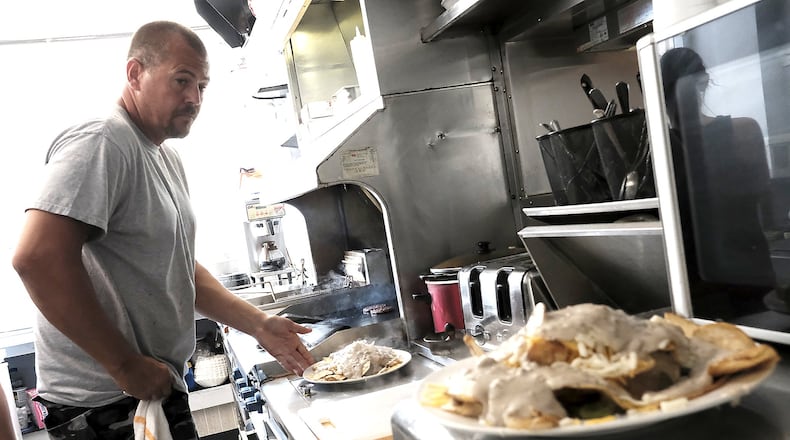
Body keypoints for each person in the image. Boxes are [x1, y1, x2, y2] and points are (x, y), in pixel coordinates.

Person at [11, 21, 314, 439]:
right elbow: (37, 259)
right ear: (135, 74)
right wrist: (124, 365)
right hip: (107, 404)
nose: (194, 98)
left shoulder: (163, 157)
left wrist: (259, 324)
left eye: (202, 86)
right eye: (181, 80)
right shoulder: (103, 140)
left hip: (147, 387)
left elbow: (178, 269)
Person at [660, 47, 775, 292]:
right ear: (704, 83)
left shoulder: (659, 147)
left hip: (692, 279)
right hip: (748, 267)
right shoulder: (744, 129)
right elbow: (766, 204)